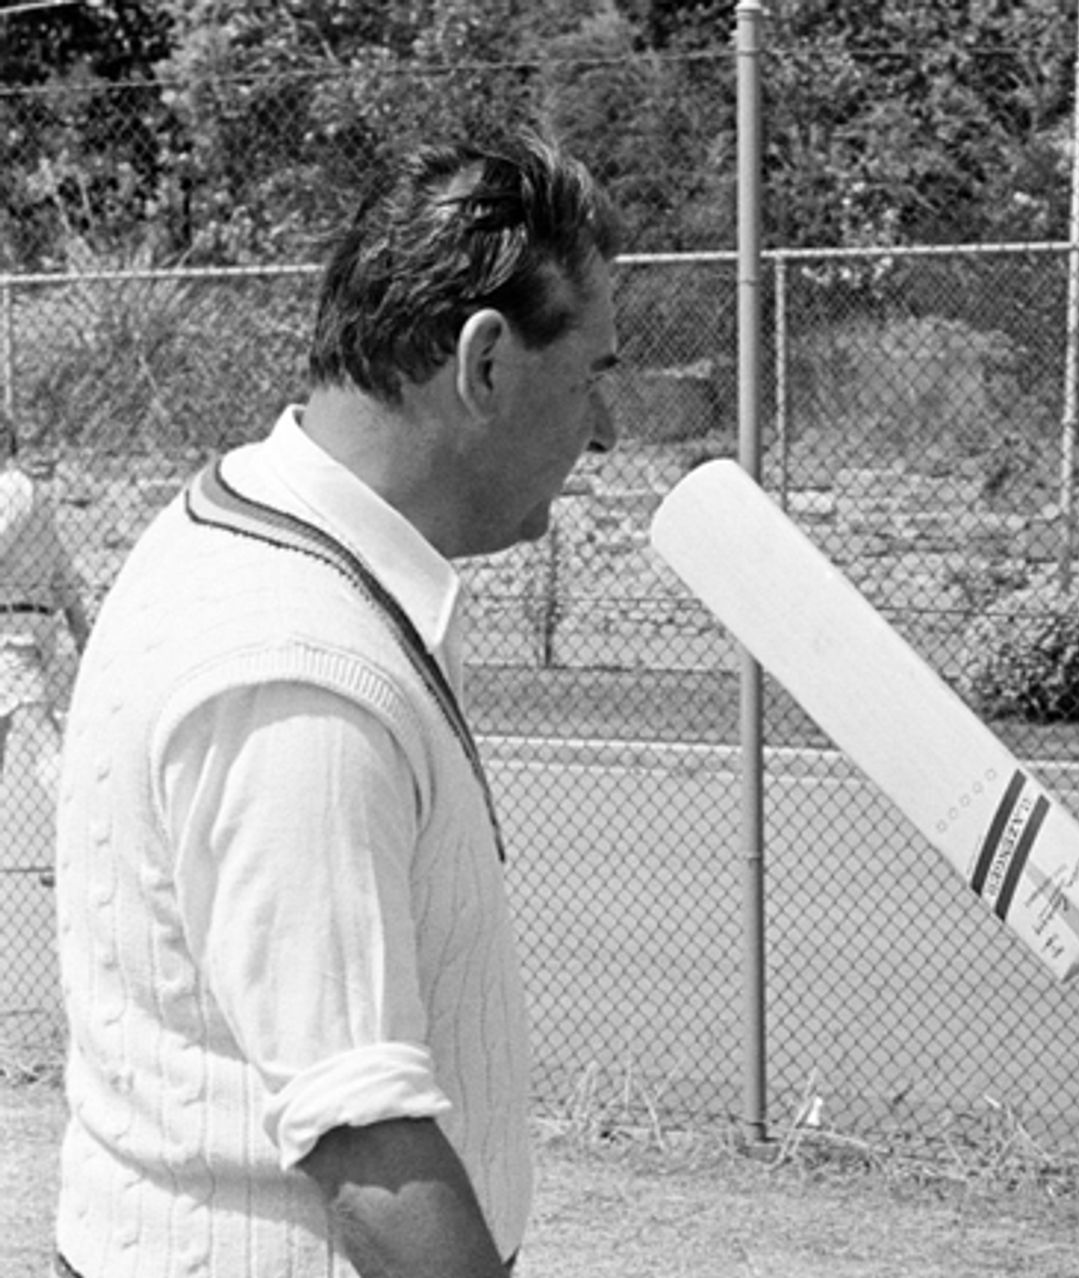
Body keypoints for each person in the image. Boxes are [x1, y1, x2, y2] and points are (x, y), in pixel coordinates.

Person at [52, 130, 622, 1278]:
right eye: (593, 376)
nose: (604, 430)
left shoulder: (268, 536)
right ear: (487, 364)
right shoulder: (297, 671)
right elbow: (363, 1139)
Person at [0, 422, 91, 801]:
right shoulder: (32, 496)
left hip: (12, 628)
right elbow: (63, 573)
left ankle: (80, 820)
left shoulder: (10, 487)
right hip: (23, 621)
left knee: (38, 730)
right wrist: (82, 633)